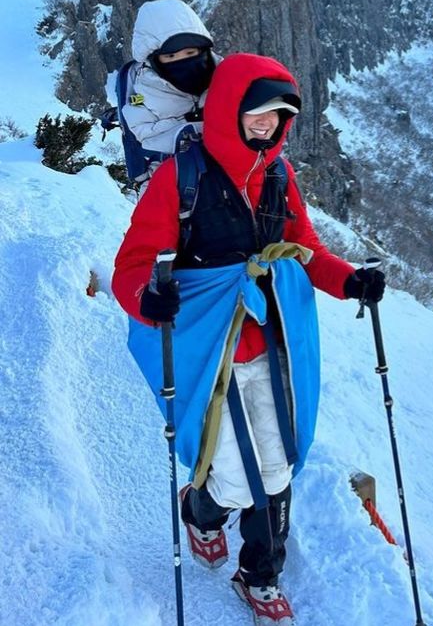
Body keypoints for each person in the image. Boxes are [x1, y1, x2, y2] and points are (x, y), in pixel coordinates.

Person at [112, 52, 385, 625]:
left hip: (273, 340)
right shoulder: (180, 178)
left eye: (279, 117)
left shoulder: (279, 177)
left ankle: (260, 574)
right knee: (234, 476)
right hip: (213, 351)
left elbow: (306, 251)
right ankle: (202, 511)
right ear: (229, 109)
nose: (268, 126)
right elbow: (133, 264)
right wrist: (147, 298)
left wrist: (351, 281)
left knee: (280, 462)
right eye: (258, 114)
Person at [121, 0, 219, 189]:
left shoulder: (224, 74)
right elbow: (144, 135)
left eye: (190, 53)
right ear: (154, 59)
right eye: (171, 56)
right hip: (169, 181)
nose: (182, 61)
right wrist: (188, 124)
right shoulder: (145, 91)